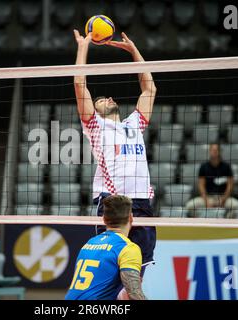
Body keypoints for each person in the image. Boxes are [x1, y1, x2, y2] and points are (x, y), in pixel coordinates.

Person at [73, 30, 157, 272]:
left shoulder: (134, 124)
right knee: (112, 273)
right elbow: (80, 86)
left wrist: (133, 51)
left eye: (108, 97)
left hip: (141, 204)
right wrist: (83, 47)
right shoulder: (96, 127)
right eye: (101, 100)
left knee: (136, 273)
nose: (108, 98)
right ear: (95, 110)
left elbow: (149, 90)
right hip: (114, 204)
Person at [65, 195, 146, 300]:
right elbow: (134, 294)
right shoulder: (127, 248)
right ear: (130, 218)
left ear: (104, 219)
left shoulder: (90, 243)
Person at [186, 144, 238, 218]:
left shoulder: (226, 166)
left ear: (220, 152)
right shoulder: (204, 167)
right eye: (212, 150)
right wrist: (206, 201)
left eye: (216, 150)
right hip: (208, 197)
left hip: (223, 198)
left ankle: (226, 222)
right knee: (190, 206)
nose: (214, 152)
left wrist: (223, 200)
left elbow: (230, 185)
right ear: (209, 151)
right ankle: (200, 222)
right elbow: (201, 185)